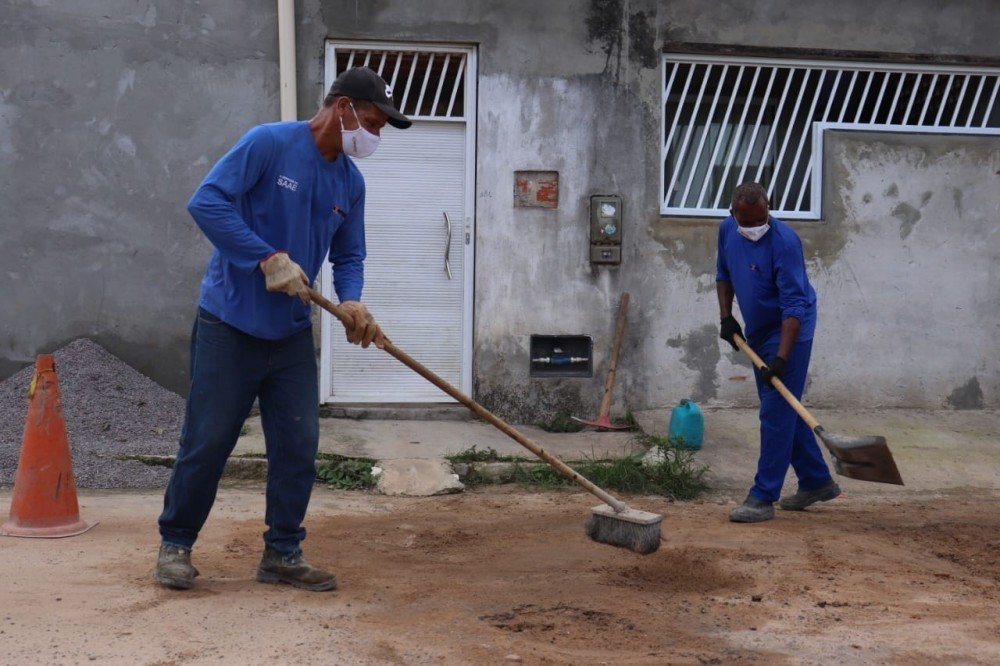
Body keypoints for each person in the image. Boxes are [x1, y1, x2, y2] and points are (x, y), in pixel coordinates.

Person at [155, 67, 411, 590]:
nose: (375, 135)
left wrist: (353, 299)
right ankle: (175, 544)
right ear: (342, 108)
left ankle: (282, 554)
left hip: (291, 334)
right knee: (207, 442)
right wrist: (265, 257)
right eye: (373, 122)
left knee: (298, 445)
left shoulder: (350, 182)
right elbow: (206, 202)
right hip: (229, 323)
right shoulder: (268, 144)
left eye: (381, 127)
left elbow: (349, 253)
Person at [716, 182, 840, 523]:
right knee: (784, 407)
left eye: (762, 220)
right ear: (734, 215)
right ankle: (816, 481)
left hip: (790, 330)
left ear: (768, 212)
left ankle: (763, 496)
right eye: (749, 222)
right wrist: (727, 318)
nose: (756, 228)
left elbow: (794, 306)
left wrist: (781, 359)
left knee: (775, 412)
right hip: (757, 329)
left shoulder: (784, 242)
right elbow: (723, 275)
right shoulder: (727, 230)